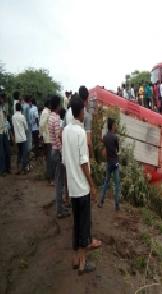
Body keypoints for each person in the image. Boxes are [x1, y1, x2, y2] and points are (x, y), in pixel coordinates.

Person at [62, 97, 100, 275]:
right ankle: (84, 263)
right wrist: (92, 187)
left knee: (76, 224)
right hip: (82, 188)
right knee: (84, 226)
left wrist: (67, 190)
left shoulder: (66, 131)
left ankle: (75, 259)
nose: (85, 113)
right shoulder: (80, 133)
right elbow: (84, 163)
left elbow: (65, 162)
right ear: (80, 112)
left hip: (72, 187)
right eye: (84, 110)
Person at [49, 95, 70, 219]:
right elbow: (58, 137)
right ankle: (59, 210)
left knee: (59, 180)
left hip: (53, 150)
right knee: (59, 182)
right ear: (57, 106)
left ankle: (60, 206)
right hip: (58, 152)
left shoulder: (51, 117)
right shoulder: (56, 119)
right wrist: (63, 153)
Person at [98, 118, 121, 211]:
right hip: (115, 163)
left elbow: (104, 146)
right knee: (117, 184)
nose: (115, 126)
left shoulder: (105, 137)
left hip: (108, 163)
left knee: (106, 183)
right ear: (112, 126)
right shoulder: (115, 137)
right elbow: (118, 150)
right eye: (115, 125)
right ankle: (117, 205)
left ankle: (101, 201)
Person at [39, 98, 53, 184]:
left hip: (48, 138)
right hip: (48, 138)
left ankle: (50, 177)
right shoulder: (45, 112)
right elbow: (41, 125)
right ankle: (49, 178)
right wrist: (42, 135)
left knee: (50, 158)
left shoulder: (47, 111)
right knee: (49, 159)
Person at [12, 103, 28, 175]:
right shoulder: (22, 117)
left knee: (19, 153)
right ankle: (23, 169)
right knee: (24, 154)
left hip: (17, 138)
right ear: (20, 109)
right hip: (23, 138)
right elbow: (26, 127)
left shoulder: (13, 117)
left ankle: (18, 168)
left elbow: (13, 127)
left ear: (15, 108)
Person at [0, 93, 7, 175]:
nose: (2, 100)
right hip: (0, 132)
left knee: (3, 151)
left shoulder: (2, 108)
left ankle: (3, 169)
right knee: (1, 152)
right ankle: (2, 170)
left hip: (3, 131)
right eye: (2, 99)